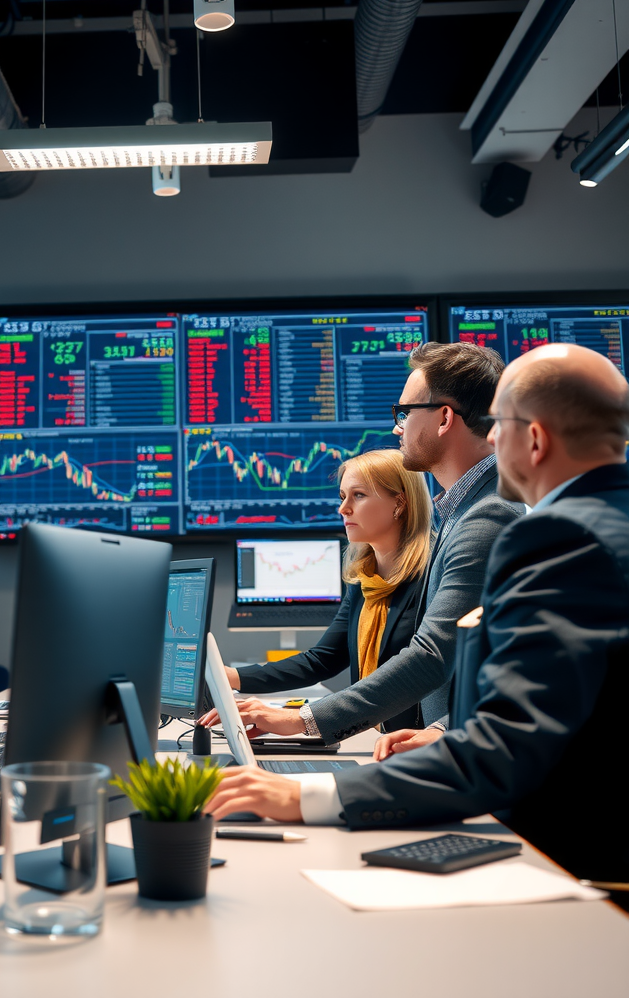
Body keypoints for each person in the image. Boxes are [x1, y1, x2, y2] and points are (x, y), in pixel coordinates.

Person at [206, 342, 629, 891]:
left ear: (536, 439)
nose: (493, 437)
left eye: (500, 423)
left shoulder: (556, 536)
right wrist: (455, 733)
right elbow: (568, 699)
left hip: (584, 861)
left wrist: (307, 795)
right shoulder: (597, 524)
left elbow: (509, 739)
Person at [204, 342, 522, 742]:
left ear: (444, 418)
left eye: (405, 413)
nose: (397, 427)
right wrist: (444, 728)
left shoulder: (486, 517)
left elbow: (432, 657)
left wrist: (302, 720)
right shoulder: (463, 513)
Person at [199, 449, 432, 735]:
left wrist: (303, 719)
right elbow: (323, 660)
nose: (343, 509)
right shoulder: (364, 580)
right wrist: (232, 677)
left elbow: (416, 671)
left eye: (358, 495)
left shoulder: (432, 576)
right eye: (342, 496)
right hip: (377, 737)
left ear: (400, 502)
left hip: (419, 741)